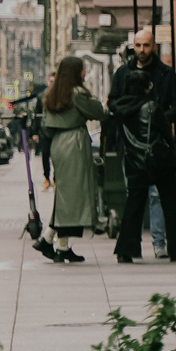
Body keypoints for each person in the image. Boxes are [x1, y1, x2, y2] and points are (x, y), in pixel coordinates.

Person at [109, 33, 176, 263]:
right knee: (167, 200)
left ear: (153, 46)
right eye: (138, 45)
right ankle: (172, 249)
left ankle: (128, 249)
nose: (142, 49)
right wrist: (158, 118)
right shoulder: (123, 73)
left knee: (135, 200)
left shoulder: (166, 73)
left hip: (134, 152)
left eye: (146, 45)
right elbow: (167, 128)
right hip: (156, 153)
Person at [37, 57, 106, 263]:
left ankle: (58, 244)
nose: (85, 73)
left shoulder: (51, 94)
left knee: (67, 195)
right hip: (75, 142)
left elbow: (46, 127)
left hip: (58, 143)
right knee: (73, 196)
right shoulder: (77, 94)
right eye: (83, 70)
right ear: (76, 72)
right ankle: (50, 240)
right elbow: (98, 112)